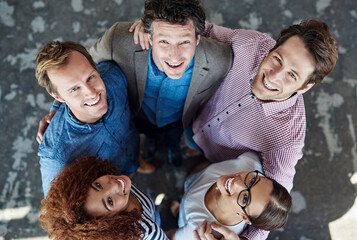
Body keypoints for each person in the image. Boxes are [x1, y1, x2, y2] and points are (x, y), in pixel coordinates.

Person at [130, 17, 338, 239]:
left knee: (200, 167)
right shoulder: (252, 44)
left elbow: (271, 205)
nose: (274, 76)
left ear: (305, 86)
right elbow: (206, 29)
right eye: (277, 59)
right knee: (191, 144)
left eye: (292, 75)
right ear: (271, 48)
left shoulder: (287, 138)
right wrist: (159, 25)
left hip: (222, 164)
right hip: (195, 121)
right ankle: (193, 151)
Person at [88, 0, 232, 168]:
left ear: (198, 39)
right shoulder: (118, 40)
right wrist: (56, 107)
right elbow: (84, 69)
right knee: (148, 135)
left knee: (173, 139)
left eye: (184, 42)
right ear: (149, 36)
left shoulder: (221, 59)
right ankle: (151, 145)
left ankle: (173, 149)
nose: (174, 56)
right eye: (164, 41)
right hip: (140, 115)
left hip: (178, 120)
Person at [35, 41, 153, 196]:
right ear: (57, 96)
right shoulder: (57, 158)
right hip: (110, 188)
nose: (91, 93)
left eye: (90, 77)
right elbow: (57, 212)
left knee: (135, 160)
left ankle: (137, 163)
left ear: (96, 69)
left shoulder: (113, 76)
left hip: (132, 146)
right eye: (75, 89)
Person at [164, 151, 291, 240]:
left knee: (182, 216)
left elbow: (169, 236)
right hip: (195, 182)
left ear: (245, 218)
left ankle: (178, 213)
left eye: (245, 198)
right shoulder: (251, 162)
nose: (236, 183)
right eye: (253, 181)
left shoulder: (201, 230)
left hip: (187, 218)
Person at [39, 156, 168, 240]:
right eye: (110, 201)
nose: (113, 185)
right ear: (114, 222)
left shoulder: (119, 185)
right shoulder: (146, 231)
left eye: (98, 185)